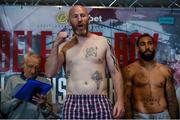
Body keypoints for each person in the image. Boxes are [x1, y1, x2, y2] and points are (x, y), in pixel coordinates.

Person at [45, 5, 124, 119]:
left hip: (100, 101)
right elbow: (49, 73)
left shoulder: (103, 42)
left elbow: (115, 73)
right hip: (73, 102)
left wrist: (120, 100)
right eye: (75, 16)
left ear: (89, 19)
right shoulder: (63, 46)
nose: (80, 19)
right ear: (69, 21)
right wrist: (56, 44)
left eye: (83, 15)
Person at [123, 34, 179, 119]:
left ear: (154, 46)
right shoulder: (130, 70)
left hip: (163, 116)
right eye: (143, 44)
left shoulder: (164, 70)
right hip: (140, 116)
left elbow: (172, 99)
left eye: (150, 43)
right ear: (138, 48)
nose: (147, 47)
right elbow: (126, 99)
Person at [1, 52, 53, 119]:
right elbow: (4, 109)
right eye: (30, 66)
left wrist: (43, 105)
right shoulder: (12, 81)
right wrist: (17, 99)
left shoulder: (45, 83)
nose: (33, 71)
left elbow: (49, 114)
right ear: (23, 65)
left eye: (36, 67)